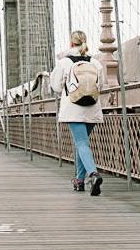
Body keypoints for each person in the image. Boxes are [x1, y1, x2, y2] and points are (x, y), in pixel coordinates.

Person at [49, 30, 105, 196]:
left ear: (71, 43)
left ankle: (93, 174)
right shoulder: (96, 63)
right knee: (82, 144)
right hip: (92, 108)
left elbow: (56, 87)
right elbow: (101, 85)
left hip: (73, 108)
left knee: (81, 143)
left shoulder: (64, 62)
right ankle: (79, 181)